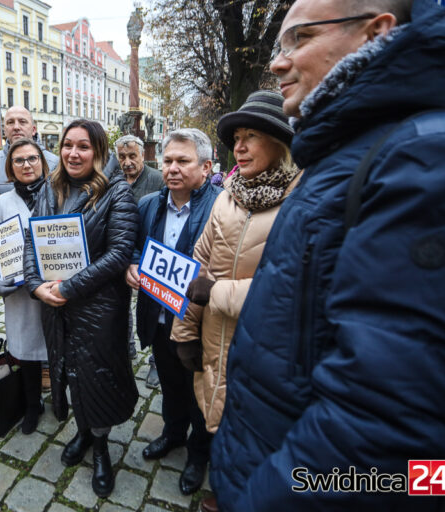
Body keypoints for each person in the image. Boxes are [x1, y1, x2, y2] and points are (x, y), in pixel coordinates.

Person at [210, 0, 445, 510]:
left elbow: (391, 431)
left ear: (374, 33)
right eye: (279, 45)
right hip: (264, 448)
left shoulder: (434, 157)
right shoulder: (355, 150)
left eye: (300, 38)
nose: (278, 62)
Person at [169, 91, 299, 512]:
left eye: (251, 136)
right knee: (208, 410)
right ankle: (208, 472)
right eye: (236, 137)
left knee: (253, 429)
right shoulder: (229, 194)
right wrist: (184, 330)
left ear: (279, 143)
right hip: (212, 338)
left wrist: (218, 293)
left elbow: (293, 288)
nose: (238, 147)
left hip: (263, 346)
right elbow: (197, 267)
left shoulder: (300, 200)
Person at [23, 119, 139, 498]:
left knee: (99, 375)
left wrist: (70, 287)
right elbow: (31, 240)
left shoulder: (116, 192)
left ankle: (102, 447)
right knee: (68, 370)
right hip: (56, 304)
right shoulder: (49, 188)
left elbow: (119, 254)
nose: (74, 153)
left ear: (99, 152)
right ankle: (84, 431)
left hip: (99, 306)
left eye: (84, 147)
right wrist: (36, 285)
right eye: (67, 145)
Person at [126, 128, 221, 496]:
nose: (173, 168)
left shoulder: (220, 207)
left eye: (183, 161)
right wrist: (131, 266)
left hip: (200, 326)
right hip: (159, 318)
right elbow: (136, 249)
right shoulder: (150, 204)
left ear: (206, 166)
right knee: (169, 384)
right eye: (167, 161)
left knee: (200, 394)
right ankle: (172, 434)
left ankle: (199, 454)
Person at [0, 138, 48, 434]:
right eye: (19, 160)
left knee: (58, 345)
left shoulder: (59, 193)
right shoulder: (4, 202)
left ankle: (60, 399)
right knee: (27, 350)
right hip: (20, 294)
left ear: (42, 162)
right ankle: (33, 404)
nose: (27, 165)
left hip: (53, 288)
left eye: (32, 158)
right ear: (10, 167)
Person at [114, 134, 164, 376]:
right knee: (121, 305)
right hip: (120, 255)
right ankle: (127, 348)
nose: (127, 162)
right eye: (122, 156)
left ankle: (156, 361)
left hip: (150, 254)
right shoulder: (113, 179)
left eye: (132, 156)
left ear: (143, 155)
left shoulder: (158, 179)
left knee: (154, 309)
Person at [0, 106, 59, 194]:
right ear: (4, 130)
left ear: (33, 130)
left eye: (22, 122)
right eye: (10, 122)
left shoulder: (55, 163)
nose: (16, 127)